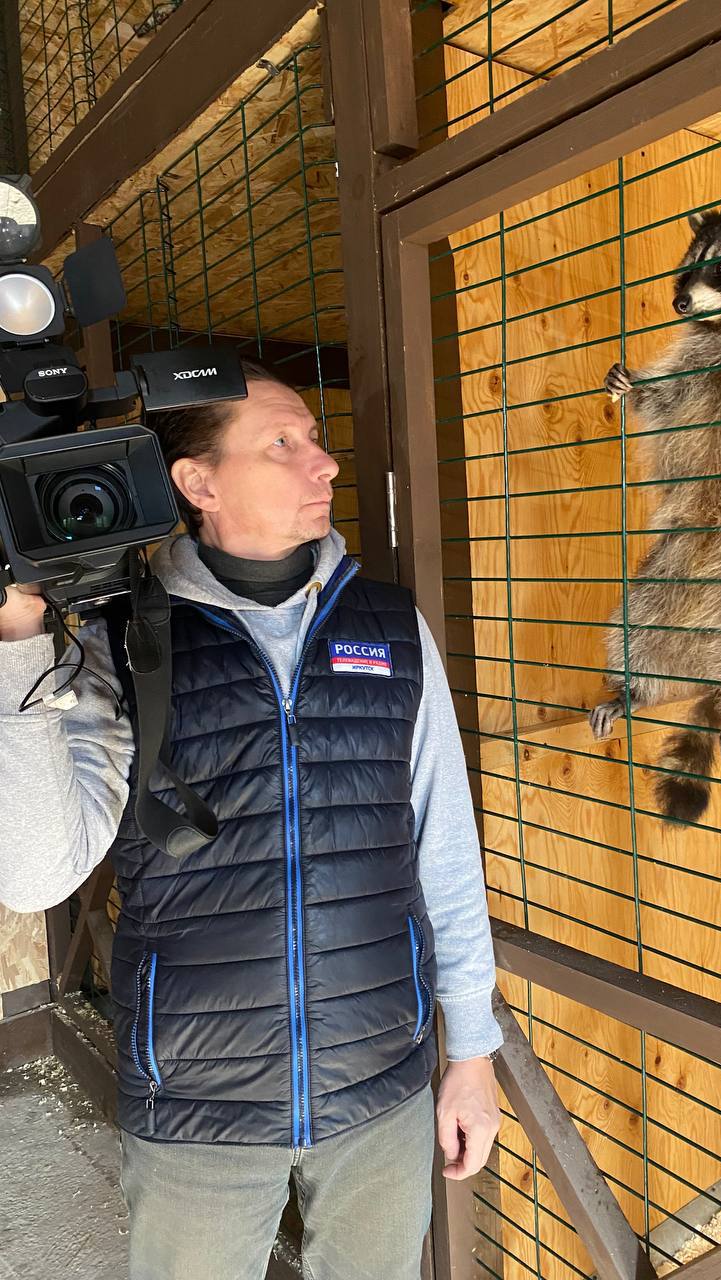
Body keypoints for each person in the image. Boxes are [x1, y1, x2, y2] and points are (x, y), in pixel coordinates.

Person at [0, 362, 502, 1280]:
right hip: (199, 1107)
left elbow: (446, 850)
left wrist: (471, 1050)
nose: (325, 464)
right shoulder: (121, 644)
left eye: (314, 439)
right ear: (198, 484)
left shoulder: (389, 626)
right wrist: (18, 642)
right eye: (285, 442)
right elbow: (35, 875)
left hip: (379, 1089)